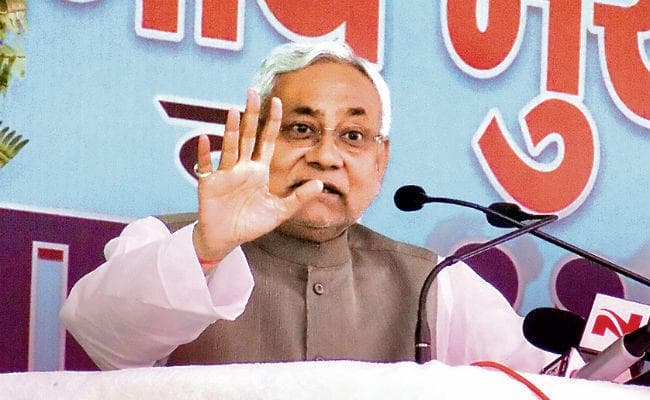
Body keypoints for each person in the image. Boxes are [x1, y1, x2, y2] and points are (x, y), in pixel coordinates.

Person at [60, 41, 552, 371]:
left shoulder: (434, 282)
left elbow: (542, 382)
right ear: (255, 137)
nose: (326, 156)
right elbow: (102, 335)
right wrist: (207, 249)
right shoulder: (167, 241)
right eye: (301, 129)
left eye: (353, 136)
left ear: (380, 161)